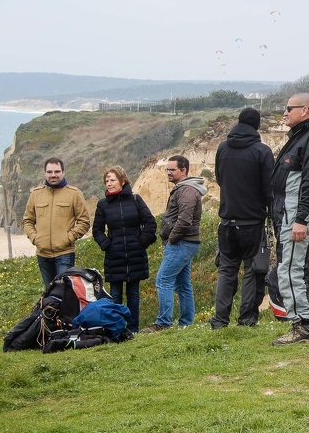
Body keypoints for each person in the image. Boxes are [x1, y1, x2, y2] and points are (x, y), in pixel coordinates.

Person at [270, 93, 309, 345]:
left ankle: (303, 325)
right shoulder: (301, 137)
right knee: (291, 267)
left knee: (290, 269)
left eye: (288, 108)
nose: (284, 113)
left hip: (295, 217)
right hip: (287, 215)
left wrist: (301, 219)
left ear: (305, 110)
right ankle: (303, 321)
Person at [210, 108, 274, 330]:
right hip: (252, 222)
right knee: (252, 270)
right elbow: (269, 189)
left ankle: (220, 320)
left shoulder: (222, 148)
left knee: (226, 270)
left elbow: (219, 178)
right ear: (257, 126)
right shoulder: (262, 152)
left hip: (227, 220)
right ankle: (246, 319)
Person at [144, 155, 207, 332]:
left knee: (163, 280)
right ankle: (186, 323)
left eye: (172, 170)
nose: (169, 173)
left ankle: (164, 322)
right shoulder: (185, 189)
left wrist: (171, 239)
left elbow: (184, 220)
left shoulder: (186, 191)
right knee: (182, 284)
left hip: (182, 243)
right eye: (168, 169)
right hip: (186, 243)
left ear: (183, 170)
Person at [92, 165, 157, 333]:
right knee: (115, 294)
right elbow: (97, 230)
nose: (109, 183)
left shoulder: (136, 200)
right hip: (114, 256)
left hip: (135, 254)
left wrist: (142, 242)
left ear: (122, 181)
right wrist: (107, 245)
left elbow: (150, 222)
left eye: (112, 180)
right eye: (106, 181)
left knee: (133, 294)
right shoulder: (103, 205)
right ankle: (117, 329)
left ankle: (133, 328)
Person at [22, 157, 90, 288]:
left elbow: (84, 222)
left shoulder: (74, 194)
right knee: (50, 293)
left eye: (57, 171)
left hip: (64, 254)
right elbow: (27, 220)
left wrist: (68, 238)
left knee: (64, 292)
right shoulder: (36, 194)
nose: (53, 175)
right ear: (45, 173)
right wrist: (35, 239)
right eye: (49, 172)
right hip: (42, 254)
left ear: (63, 173)